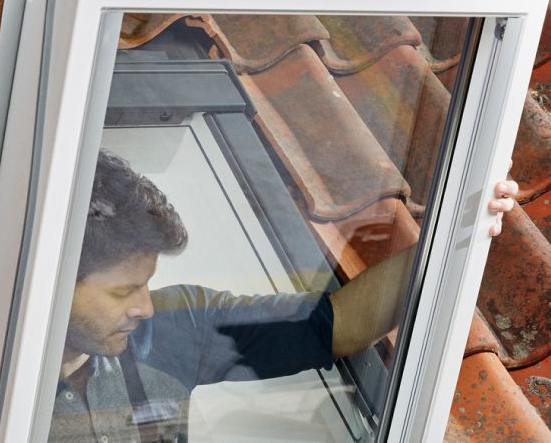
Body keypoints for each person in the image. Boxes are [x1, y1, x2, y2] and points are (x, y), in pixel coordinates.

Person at [50, 151, 517, 442]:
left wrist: (455, 228)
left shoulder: (174, 327)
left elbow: (333, 326)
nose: (145, 307)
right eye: (123, 290)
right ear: (52, 282)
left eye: (147, 283)